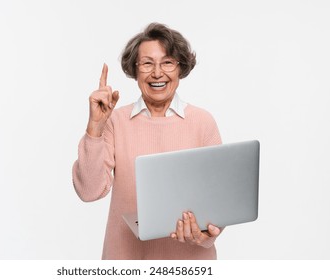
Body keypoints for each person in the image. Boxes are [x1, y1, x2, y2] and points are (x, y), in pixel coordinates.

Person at [72, 23, 223, 260]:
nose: (157, 73)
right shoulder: (115, 121)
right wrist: (95, 129)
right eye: (147, 63)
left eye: (167, 62)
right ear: (134, 69)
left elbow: (219, 202)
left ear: (180, 68)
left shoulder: (202, 122)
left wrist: (208, 235)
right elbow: (89, 191)